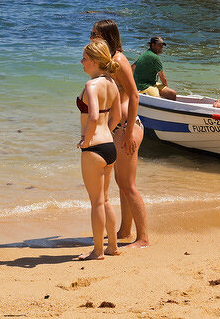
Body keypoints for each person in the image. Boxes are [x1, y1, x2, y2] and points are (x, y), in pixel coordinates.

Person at [91, 19, 149, 247]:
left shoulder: (118, 60)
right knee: (121, 183)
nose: (91, 37)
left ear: (106, 36)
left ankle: (143, 237)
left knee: (128, 185)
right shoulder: (107, 62)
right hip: (118, 128)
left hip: (128, 127)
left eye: (94, 34)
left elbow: (135, 95)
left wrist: (128, 133)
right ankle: (125, 230)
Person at [75, 39, 122, 260]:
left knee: (96, 203)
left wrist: (87, 138)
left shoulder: (91, 85)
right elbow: (117, 116)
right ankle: (112, 246)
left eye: (84, 58)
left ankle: (97, 251)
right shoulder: (112, 83)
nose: (82, 62)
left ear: (94, 61)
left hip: (94, 147)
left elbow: (93, 115)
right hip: (109, 146)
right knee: (105, 200)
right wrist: (105, 133)